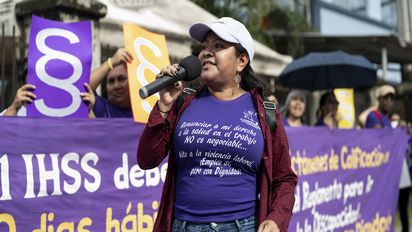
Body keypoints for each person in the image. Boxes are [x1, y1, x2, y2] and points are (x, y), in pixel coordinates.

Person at [136, 17, 297, 232]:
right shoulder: (181, 102)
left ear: (241, 61)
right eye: (204, 47)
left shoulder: (265, 112)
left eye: (218, 46)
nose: (206, 53)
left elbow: (284, 178)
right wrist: (164, 105)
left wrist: (277, 219)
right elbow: (146, 159)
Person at [1, 58, 95, 117]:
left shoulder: (67, 111)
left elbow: (96, 139)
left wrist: (88, 110)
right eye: (35, 75)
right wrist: (14, 108)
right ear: (22, 84)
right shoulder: (15, 112)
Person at [89, 48, 133, 118]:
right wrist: (111, 62)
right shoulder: (101, 107)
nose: (116, 86)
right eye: (111, 81)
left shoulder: (146, 110)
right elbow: (79, 87)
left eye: (122, 79)